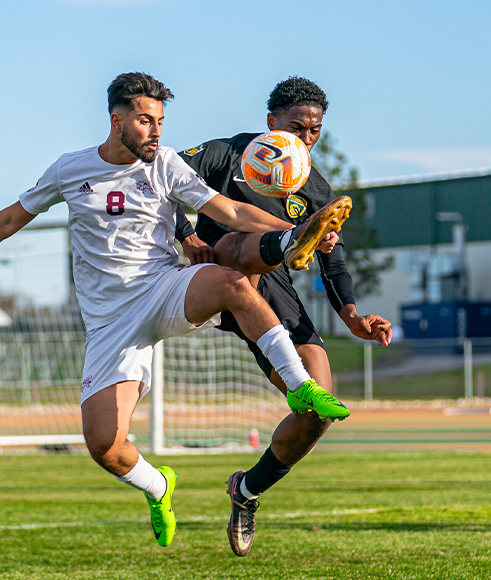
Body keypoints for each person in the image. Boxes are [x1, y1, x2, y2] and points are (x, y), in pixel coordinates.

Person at [0, 72, 353, 548]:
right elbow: (9, 218)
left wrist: (296, 231)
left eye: (161, 122)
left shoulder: (166, 164)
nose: (156, 132)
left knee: (231, 282)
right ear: (117, 120)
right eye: (146, 121)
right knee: (104, 445)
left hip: (164, 287)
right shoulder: (71, 168)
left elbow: (229, 212)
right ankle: (158, 485)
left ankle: (300, 389)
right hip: (111, 321)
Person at [174, 76, 392, 556]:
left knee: (317, 408)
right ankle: (290, 241)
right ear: (271, 122)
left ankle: (246, 491)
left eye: (315, 132)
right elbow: (160, 183)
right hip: (209, 271)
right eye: (297, 127)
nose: (306, 139)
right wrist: (187, 234)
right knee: (234, 246)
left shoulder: (313, 185)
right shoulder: (224, 153)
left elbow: (332, 258)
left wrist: (352, 315)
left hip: (269, 288)